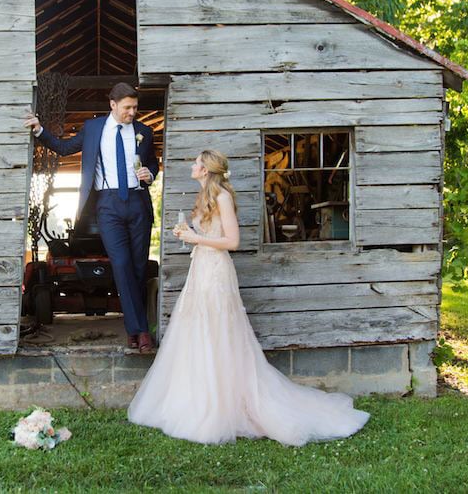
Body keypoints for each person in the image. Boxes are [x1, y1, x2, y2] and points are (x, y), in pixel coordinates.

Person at [127, 149, 370, 445]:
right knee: (198, 330)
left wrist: (196, 238)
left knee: (219, 332)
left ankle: (227, 402)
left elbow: (232, 241)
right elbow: (209, 234)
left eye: (196, 163)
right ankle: (197, 396)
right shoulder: (204, 196)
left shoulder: (223, 197)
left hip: (216, 272)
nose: (192, 165)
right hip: (200, 269)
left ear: (205, 170)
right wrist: (188, 231)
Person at [24, 82, 159, 352]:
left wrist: (150, 174)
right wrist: (39, 130)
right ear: (113, 104)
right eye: (127, 108)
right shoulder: (94, 128)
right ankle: (141, 331)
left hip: (138, 203)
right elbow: (63, 149)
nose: (132, 112)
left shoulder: (144, 131)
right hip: (107, 205)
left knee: (138, 268)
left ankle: (136, 331)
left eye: (135, 108)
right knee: (120, 265)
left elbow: (153, 163)